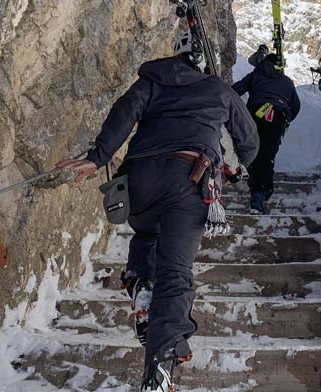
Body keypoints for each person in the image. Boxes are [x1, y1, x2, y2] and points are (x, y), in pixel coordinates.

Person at [57, 31, 258, 392]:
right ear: (200, 61)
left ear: (174, 57)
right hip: (188, 180)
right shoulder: (217, 89)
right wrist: (241, 164)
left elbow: (123, 113)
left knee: (148, 233)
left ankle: (141, 282)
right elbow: (249, 140)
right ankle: (158, 367)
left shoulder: (150, 81)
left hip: (140, 180)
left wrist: (97, 157)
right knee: (176, 272)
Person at [232, 53, 300, 214]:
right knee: (267, 155)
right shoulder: (287, 82)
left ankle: (252, 185)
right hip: (276, 117)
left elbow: (236, 91)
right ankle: (261, 192)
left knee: (252, 151)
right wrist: (286, 117)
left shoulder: (255, 75)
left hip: (254, 114)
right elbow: (296, 105)